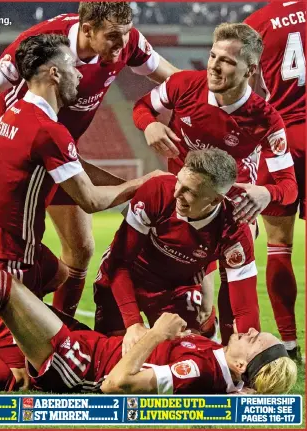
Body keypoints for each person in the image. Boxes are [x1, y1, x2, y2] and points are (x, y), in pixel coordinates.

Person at [0, 34, 162, 390]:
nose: (80, 76)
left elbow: (75, 166)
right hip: (4, 260)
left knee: (57, 274)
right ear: (54, 74)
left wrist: (130, 182)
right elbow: (91, 200)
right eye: (72, 67)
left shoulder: (13, 112)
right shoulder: (49, 130)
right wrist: (143, 184)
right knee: (21, 380)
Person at [0, 1, 180, 318]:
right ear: (87, 29)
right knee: (11, 259)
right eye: (114, 36)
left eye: (126, 35)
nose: (123, 44)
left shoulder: (125, 42)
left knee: (78, 253)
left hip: (57, 147)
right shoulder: (44, 45)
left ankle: (60, 331)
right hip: (21, 155)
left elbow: (178, 80)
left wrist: (213, 102)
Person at [132, 22, 298, 343]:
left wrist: (266, 192)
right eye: (212, 56)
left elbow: (288, 186)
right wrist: (149, 125)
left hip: (234, 207)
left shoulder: (265, 118)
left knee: (235, 280)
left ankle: (230, 349)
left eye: (227, 61)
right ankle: (204, 339)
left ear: (250, 69)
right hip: (186, 203)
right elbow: (142, 107)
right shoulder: (182, 85)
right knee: (202, 308)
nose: (214, 66)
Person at [0, 270, 297, 395]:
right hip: (86, 346)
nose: (250, 332)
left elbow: (116, 384)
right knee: (13, 367)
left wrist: (155, 333)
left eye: (255, 339)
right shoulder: (217, 357)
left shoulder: (201, 370)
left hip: (82, 368)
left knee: (0, 286)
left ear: (245, 362)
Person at [94, 148, 259, 352]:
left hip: (178, 288)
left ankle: (206, 328)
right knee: (111, 355)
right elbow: (119, 262)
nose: (177, 193)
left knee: (183, 357)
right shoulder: (157, 191)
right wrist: (133, 324)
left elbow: (245, 307)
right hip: (128, 278)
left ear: (216, 199)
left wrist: (247, 355)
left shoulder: (234, 229)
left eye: (190, 191)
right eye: (179, 181)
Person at [244, 0, 305, 361]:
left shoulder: (258, 23)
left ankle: (290, 343)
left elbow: (244, 86)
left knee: (278, 246)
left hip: (282, 138)